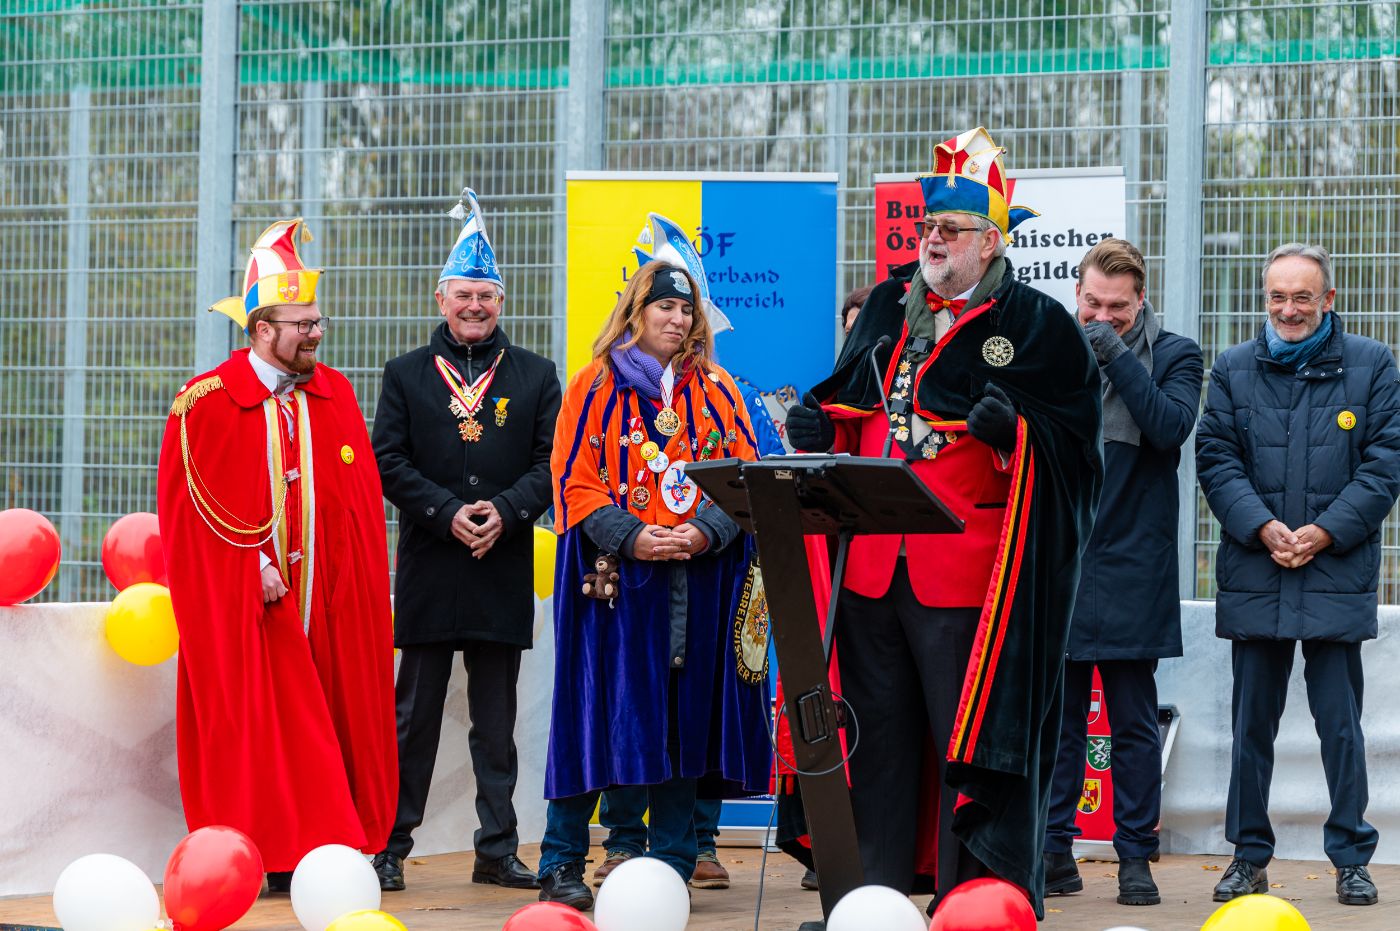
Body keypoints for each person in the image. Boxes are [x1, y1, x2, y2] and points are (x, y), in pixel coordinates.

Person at [784, 126, 1102, 917]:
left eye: (950, 229)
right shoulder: (887, 305)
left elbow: (1076, 453)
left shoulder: (1038, 325)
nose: (931, 239)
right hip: (871, 569)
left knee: (964, 755)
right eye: (928, 226)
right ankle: (873, 902)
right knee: (876, 749)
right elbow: (853, 403)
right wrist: (822, 427)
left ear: (989, 240)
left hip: (966, 582)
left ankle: (971, 906)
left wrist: (1015, 436)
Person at [536, 217, 773, 911]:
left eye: (685, 308)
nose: (677, 318)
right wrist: (633, 536)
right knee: (594, 714)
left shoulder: (718, 389)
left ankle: (670, 863)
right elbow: (572, 481)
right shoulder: (593, 386)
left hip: (698, 578)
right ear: (634, 312)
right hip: (616, 582)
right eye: (664, 306)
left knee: (681, 716)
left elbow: (745, 476)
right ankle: (561, 860)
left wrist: (702, 532)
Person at [156, 218, 397, 888]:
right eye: (302, 325)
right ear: (262, 329)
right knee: (261, 726)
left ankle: (323, 851)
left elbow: (356, 503)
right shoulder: (204, 404)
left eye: (318, 322)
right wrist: (251, 564)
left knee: (334, 720)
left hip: (328, 601)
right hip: (256, 605)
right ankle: (260, 849)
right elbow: (191, 515)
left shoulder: (335, 393)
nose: (315, 334)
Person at [369, 189, 561, 892]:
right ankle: (390, 845)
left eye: (485, 295)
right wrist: (446, 511)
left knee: (495, 722)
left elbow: (552, 462)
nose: (474, 306)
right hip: (431, 565)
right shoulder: (404, 374)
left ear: (501, 301)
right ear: (441, 299)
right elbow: (387, 459)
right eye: (463, 295)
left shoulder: (536, 375)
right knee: (413, 717)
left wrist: (506, 512)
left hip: (500, 566)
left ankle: (497, 849)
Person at [1196, 242, 1400, 908]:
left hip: (1334, 571)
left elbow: (1385, 463)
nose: (1289, 309)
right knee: (1250, 729)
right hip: (1257, 569)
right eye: (1278, 296)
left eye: (1302, 297)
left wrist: (1326, 531)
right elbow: (1216, 458)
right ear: (1266, 298)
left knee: (1340, 727)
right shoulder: (1232, 368)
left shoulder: (1373, 364)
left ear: (1328, 300)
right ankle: (1248, 856)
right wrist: (1260, 526)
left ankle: (1352, 859)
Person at [1041, 238, 1202, 907]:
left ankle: (1136, 855)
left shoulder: (1176, 354)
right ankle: (1053, 851)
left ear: (1141, 301)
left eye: (1117, 308)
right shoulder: (1051, 349)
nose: (1102, 318)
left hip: (1136, 562)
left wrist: (1112, 353)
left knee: (1134, 721)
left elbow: (1169, 428)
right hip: (1063, 558)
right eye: (1092, 305)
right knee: (1060, 720)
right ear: (1076, 294)